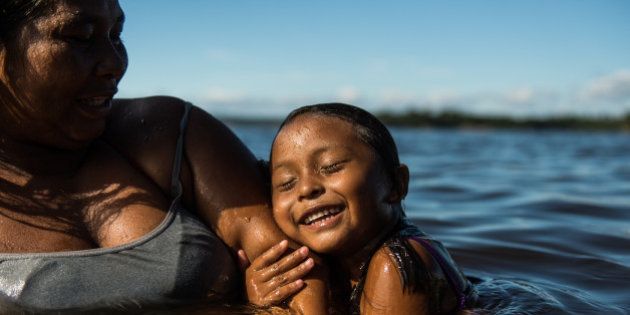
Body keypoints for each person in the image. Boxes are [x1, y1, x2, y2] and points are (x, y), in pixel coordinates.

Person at [0, 0, 326, 313]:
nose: (115, 63)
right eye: (81, 37)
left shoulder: (168, 134)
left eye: (116, 35)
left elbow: (299, 276)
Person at [242, 103, 476, 314]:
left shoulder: (394, 263)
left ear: (396, 184)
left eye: (331, 166)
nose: (306, 189)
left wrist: (270, 313)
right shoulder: (338, 266)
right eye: (287, 183)